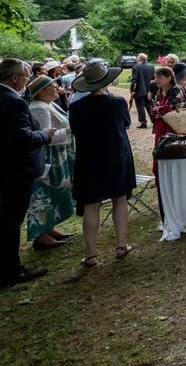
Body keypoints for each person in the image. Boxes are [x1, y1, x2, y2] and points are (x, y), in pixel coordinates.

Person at [68, 61, 136, 267]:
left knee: (91, 204)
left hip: (89, 157)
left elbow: (75, 130)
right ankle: (121, 245)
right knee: (120, 198)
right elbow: (125, 124)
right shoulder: (117, 103)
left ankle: (91, 254)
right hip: (116, 155)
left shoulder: (76, 107)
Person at [0, 59, 55, 286]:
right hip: (15, 169)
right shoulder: (14, 102)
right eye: (24, 75)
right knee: (11, 222)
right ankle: (11, 271)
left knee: (6, 220)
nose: (27, 80)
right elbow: (22, 138)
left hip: (5, 167)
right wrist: (45, 134)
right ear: (14, 78)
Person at [25, 76, 76, 251]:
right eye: (52, 86)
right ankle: (41, 236)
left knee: (56, 193)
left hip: (58, 155)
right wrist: (71, 130)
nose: (57, 88)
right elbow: (47, 136)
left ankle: (49, 228)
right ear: (42, 91)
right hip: (48, 159)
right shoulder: (39, 108)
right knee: (44, 194)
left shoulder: (48, 104)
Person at [130, 53, 154, 129]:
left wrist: (132, 90)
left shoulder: (136, 67)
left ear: (139, 59)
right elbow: (153, 78)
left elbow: (134, 80)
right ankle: (154, 121)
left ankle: (143, 122)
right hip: (149, 89)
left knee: (140, 107)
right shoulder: (151, 66)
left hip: (139, 90)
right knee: (149, 105)